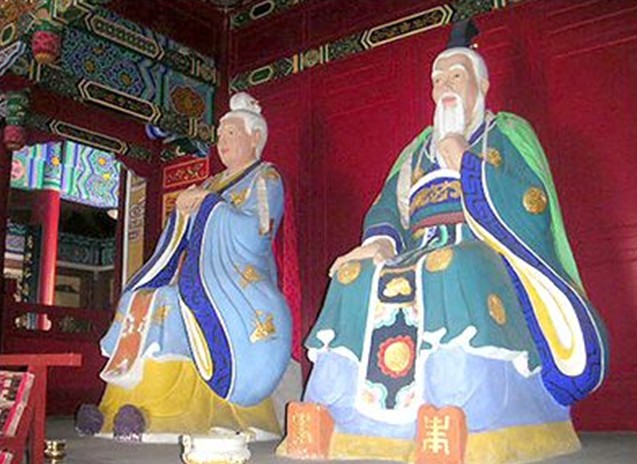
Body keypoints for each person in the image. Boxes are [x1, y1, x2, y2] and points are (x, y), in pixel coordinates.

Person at [279, 21, 609, 464]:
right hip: (415, 250)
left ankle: (454, 406)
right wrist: (379, 243)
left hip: (488, 251)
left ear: (481, 85)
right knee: (352, 276)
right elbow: (388, 207)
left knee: (452, 266)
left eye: (456, 76)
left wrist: (466, 162)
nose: (445, 87)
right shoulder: (416, 151)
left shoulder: (505, 133)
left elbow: (532, 204)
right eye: (437, 80)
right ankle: (335, 409)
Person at [86, 92, 292, 439]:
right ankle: (124, 404)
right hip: (199, 274)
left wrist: (210, 204)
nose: (222, 142)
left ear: (256, 137)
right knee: (142, 297)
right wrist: (182, 213)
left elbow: (258, 231)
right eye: (220, 135)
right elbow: (183, 234)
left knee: (173, 301)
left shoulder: (264, 178)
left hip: (238, 280)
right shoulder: (210, 182)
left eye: (231, 134)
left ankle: (162, 412)